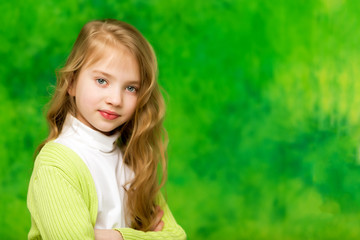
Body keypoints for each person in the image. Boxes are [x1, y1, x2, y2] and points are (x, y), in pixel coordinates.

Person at [27, 19, 186, 240]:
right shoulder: (56, 164)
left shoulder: (133, 160)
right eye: (102, 81)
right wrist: (143, 236)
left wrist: (109, 236)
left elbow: (176, 236)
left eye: (131, 88)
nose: (115, 99)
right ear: (72, 83)